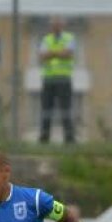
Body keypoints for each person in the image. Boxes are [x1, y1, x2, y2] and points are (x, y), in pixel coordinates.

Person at [38, 16, 76, 144]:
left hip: (64, 79)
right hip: (48, 79)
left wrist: (51, 53)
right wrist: (59, 52)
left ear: (62, 25)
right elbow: (42, 56)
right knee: (46, 108)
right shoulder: (46, 39)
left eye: (58, 24)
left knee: (66, 108)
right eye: (53, 24)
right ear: (51, 26)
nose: (56, 26)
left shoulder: (69, 38)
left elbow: (68, 54)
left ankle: (69, 138)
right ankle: (44, 137)